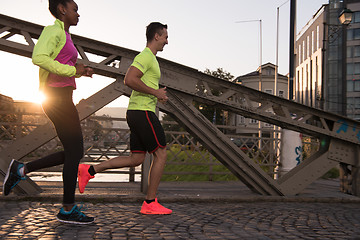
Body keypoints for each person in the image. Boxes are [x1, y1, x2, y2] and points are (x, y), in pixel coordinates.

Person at [2, 0, 95, 224]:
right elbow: (39, 58)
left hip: (61, 96)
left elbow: (61, 63)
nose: (78, 14)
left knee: (74, 152)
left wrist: (80, 72)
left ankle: (22, 169)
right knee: (75, 151)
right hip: (56, 97)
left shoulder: (66, 35)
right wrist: (74, 70)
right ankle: (67, 209)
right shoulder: (52, 30)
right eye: (75, 9)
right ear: (62, 9)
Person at [78, 22, 172, 215]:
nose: (167, 41)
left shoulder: (150, 59)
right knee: (161, 154)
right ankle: (150, 202)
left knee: (136, 158)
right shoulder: (146, 56)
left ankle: (89, 170)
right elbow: (129, 79)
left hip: (136, 112)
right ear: (156, 36)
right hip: (142, 112)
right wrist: (155, 92)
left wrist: (156, 95)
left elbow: (139, 83)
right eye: (165, 37)